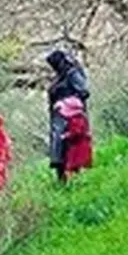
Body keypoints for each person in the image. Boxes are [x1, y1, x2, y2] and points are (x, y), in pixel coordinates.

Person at [45, 49, 89, 179]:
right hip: (58, 118)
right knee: (58, 149)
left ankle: (73, 179)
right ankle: (61, 178)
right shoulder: (59, 76)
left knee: (70, 147)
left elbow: (84, 92)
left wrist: (66, 103)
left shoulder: (72, 73)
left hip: (71, 119)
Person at [54, 96, 93, 182]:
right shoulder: (81, 118)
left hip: (78, 147)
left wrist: (66, 135)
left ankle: (74, 183)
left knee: (72, 166)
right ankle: (78, 181)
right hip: (80, 146)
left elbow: (77, 132)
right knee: (76, 165)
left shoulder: (75, 120)